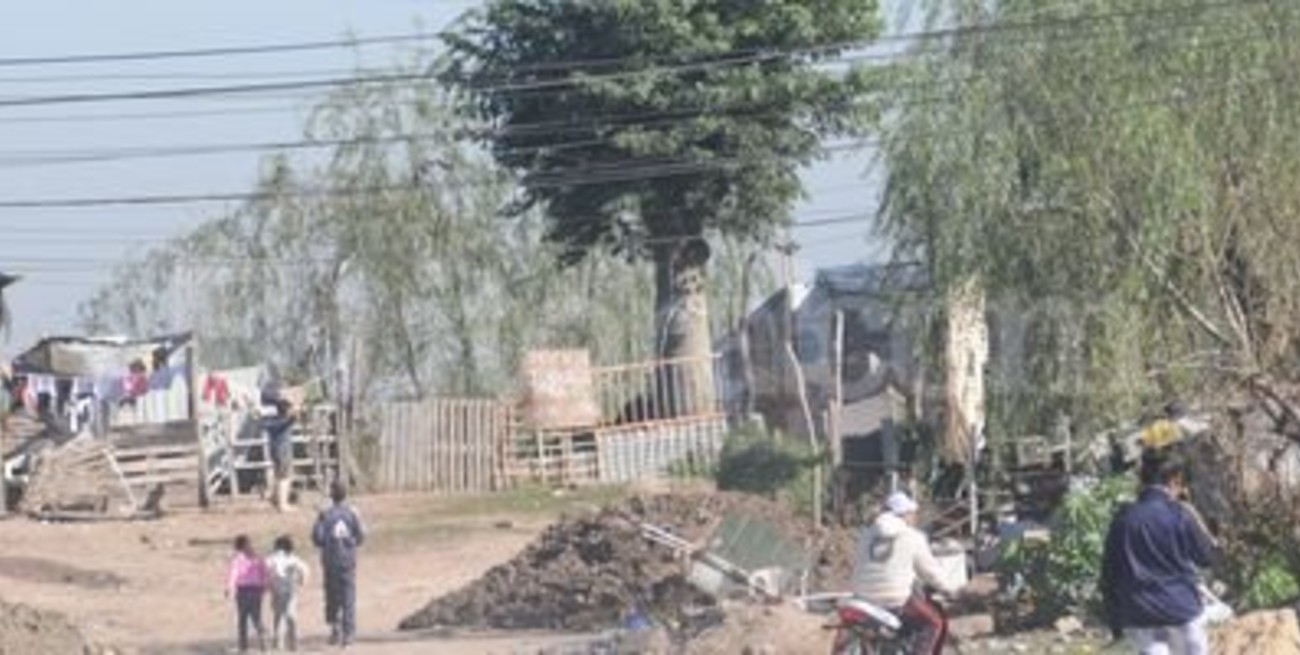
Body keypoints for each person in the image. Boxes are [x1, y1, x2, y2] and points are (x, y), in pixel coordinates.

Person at [1101, 452, 1216, 655]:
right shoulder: (1179, 514)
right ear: (1175, 481)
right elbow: (1206, 557)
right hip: (1180, 607)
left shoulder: (1123, 519)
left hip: (1139, 611)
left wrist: (1115, 622)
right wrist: (1194, 515)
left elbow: (1109, 573)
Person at [851, 491, 963, 655]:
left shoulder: (866, 534)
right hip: (895, 600)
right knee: (934, 623)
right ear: (905, 514)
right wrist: (951, 589)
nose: (915, 518)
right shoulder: (912, 537)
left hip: (862, 598)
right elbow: (931, 572)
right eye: (913, 514)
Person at [313, 481, 365, 646]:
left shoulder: (325, 514)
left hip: (330, 561)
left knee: (332, 595)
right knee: (348, 596)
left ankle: (335, 627)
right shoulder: (352, 513)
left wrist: (319, 518)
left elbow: (317, 538)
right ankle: (348, 633)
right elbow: (361, 536)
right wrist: (351, 543)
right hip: (348, 561)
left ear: (331, 495)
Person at [265, 535, 310, 652]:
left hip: (279, 591)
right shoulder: (292, 559)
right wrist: (302, 581)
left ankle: (279, 642)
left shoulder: (273, 558)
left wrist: (267, 584)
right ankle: (292, 642)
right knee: (290, 617)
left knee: (279, 616)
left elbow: (264, 569)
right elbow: (305, 570)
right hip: (289, 592)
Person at [226, 534, 268, 654]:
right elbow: (264, 572)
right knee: (256, 616)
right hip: (256, 590)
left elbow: (233, 574)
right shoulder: (257, 557)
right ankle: (262, 638)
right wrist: (264, 586)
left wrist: (229, 588)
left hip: (243, 590)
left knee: (242, 618)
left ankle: (243, 646)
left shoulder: (237, 559)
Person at [261, 394, 298, 512]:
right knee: (284, 477)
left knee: (278, 475)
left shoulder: (272, 421)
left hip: (274, 450)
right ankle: (283, 504)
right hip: (283, 450)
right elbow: (293, 417)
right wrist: (296, 408)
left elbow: (260, 421)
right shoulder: (284, 421)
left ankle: (275, 498)